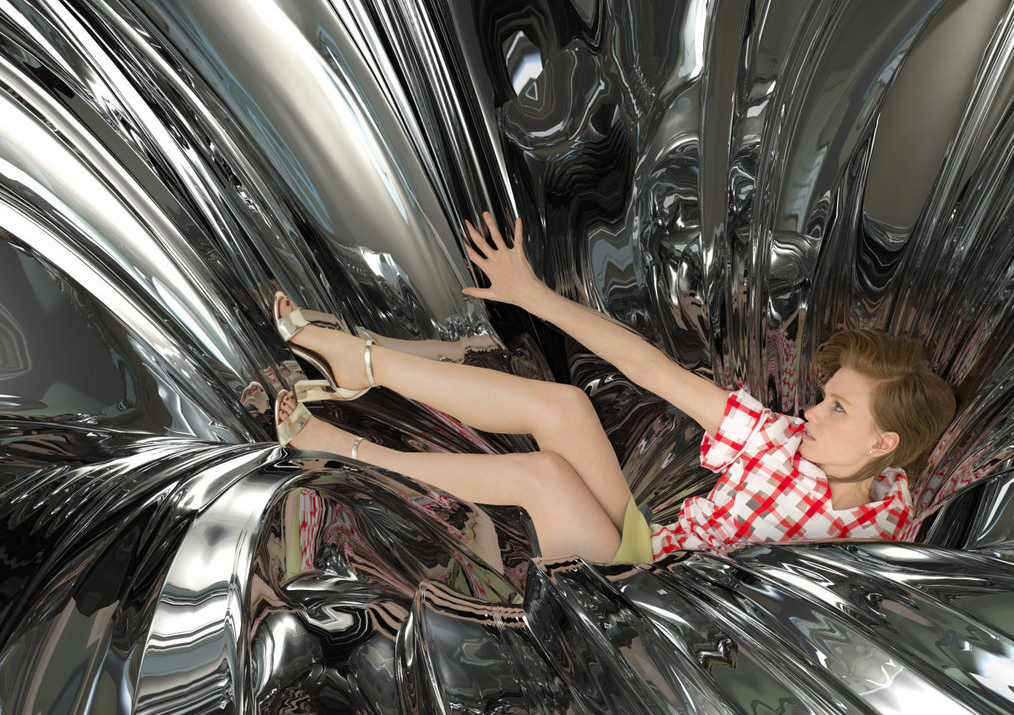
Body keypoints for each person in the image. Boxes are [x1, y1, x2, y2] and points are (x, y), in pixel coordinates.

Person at [272, 212, 956, 564]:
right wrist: (534, 296)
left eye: (836, 407)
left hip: (647, 615)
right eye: (825, 395)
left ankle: (344, 453)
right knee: (565, 405)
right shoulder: (783, 441)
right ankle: (364, 365)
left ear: (882, 444)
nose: (810, 410)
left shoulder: (884, 531)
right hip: (647, 552)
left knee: (544, 475)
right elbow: (654, 371)